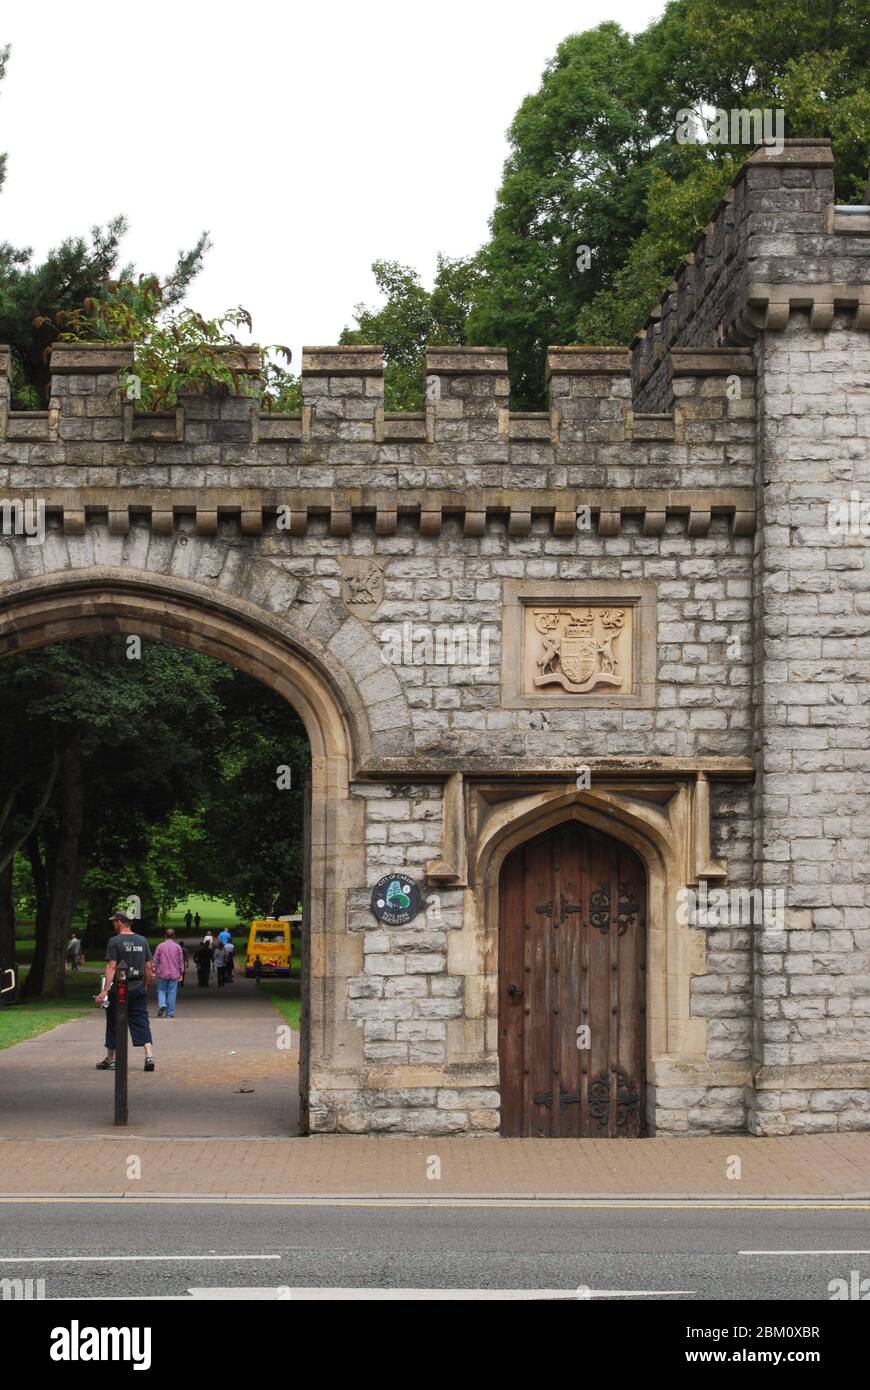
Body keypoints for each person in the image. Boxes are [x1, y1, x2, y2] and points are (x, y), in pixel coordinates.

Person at [95, 911, 155, 1073]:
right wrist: (144, 985)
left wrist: (104, 991)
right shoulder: (142, 940)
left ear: (120, 922)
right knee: (141, 1019)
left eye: (114, 921)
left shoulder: (115, 941)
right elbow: (148, 967)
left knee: (114, 1021)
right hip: (138, 986)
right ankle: (149, 1055)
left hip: (120, 988)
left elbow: (112, 967)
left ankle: (111, 1059)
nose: (113, 924)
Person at [151, 927, 185, 1019]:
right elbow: (180, 961)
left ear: (165, 936)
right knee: (172, 993)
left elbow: (155, 959)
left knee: (161, 990)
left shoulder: (160, 946)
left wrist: (154, 970)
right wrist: (181, 972)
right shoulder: (178, 947)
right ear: (174, 936)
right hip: (174, 973)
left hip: (162, 972)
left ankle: (162, 1004)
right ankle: (169, 1013)